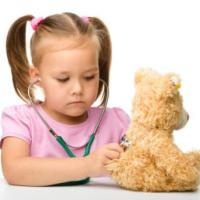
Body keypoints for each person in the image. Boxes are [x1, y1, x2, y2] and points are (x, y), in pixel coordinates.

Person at [0, 12, 130, 186]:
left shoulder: (117, 122)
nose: (77, 89)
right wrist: (87, 165)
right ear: (36, 76)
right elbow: (14, 171)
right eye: (63, 79)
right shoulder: (21, 120)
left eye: (89, 76)